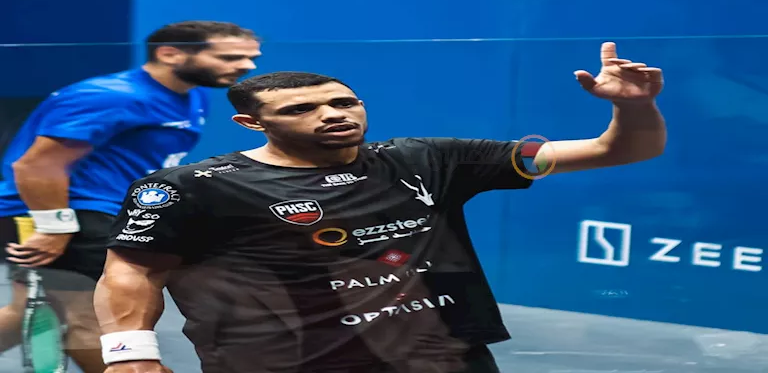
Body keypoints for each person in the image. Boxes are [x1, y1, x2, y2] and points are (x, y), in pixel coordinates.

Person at [94, 42, 666, 373]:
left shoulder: (429, 158)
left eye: (344, 102)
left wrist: (635, 107)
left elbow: (618, 149)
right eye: (301, 110)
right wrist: (128, 355)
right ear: (251, 122)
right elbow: (133, 270)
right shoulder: (191, 186)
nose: (333, 114)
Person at [0, 20, 261, 372]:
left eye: (250, 57)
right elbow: (35, 166)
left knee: (25, 312)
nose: (247, 66)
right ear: (170, 53)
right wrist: (55, 227)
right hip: (65, 212)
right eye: (230, 57)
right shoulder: (109, 97)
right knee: (86, 319)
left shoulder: (193, 94)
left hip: (107, 209)